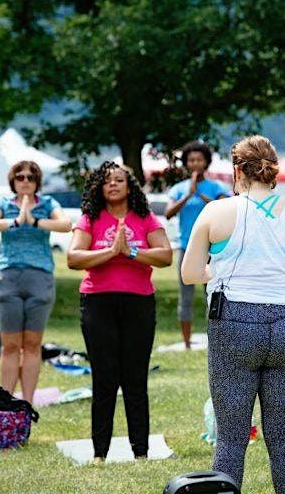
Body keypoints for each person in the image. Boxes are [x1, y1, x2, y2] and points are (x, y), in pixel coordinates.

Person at [181, 135, 285, 494]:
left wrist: (216, 273)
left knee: (230, 438)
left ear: (236, 171)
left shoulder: (217, 210)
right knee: (283, 436)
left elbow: (190, 272)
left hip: (235, 321)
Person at [67, 162, 172, 462]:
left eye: (119, 180)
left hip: (138, 303)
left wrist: (131, 252)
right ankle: (100, 452)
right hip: (98, 303)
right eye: (106, 180)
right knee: (104, 379)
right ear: (99, 187)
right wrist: (112, 252)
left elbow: (165, 255)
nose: (112, 184)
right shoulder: (90, 218)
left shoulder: (145, 217)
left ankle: (141, 451)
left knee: (135, 379)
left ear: (130, 186)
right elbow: (74, 258)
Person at [0, 161, 72, 403]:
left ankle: (27, 403)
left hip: (39, 278)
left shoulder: (48, 204)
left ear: (37, 181)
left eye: (31, 177)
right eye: (20, 177)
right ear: (13, 180)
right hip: (8, 277)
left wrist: (36, 222)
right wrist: (16, 221)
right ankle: (7, 403)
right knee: (9, 346)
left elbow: (65, 225)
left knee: (32, 344)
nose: (26, 181)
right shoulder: (3, 204)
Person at [165, 141, 230, 349]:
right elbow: (168, 213)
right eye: (191, 160)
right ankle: (186, 342)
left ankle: (216, 340)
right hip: (187, 247)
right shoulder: (178, 188)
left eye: (199, 160)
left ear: (206, 162)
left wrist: (199, 194)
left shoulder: (216, 187)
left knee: (213, 294)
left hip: (213, 249)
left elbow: (224, 209)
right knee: (186, 296)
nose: (195, 163)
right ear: (185, 163)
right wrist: (187, 194)